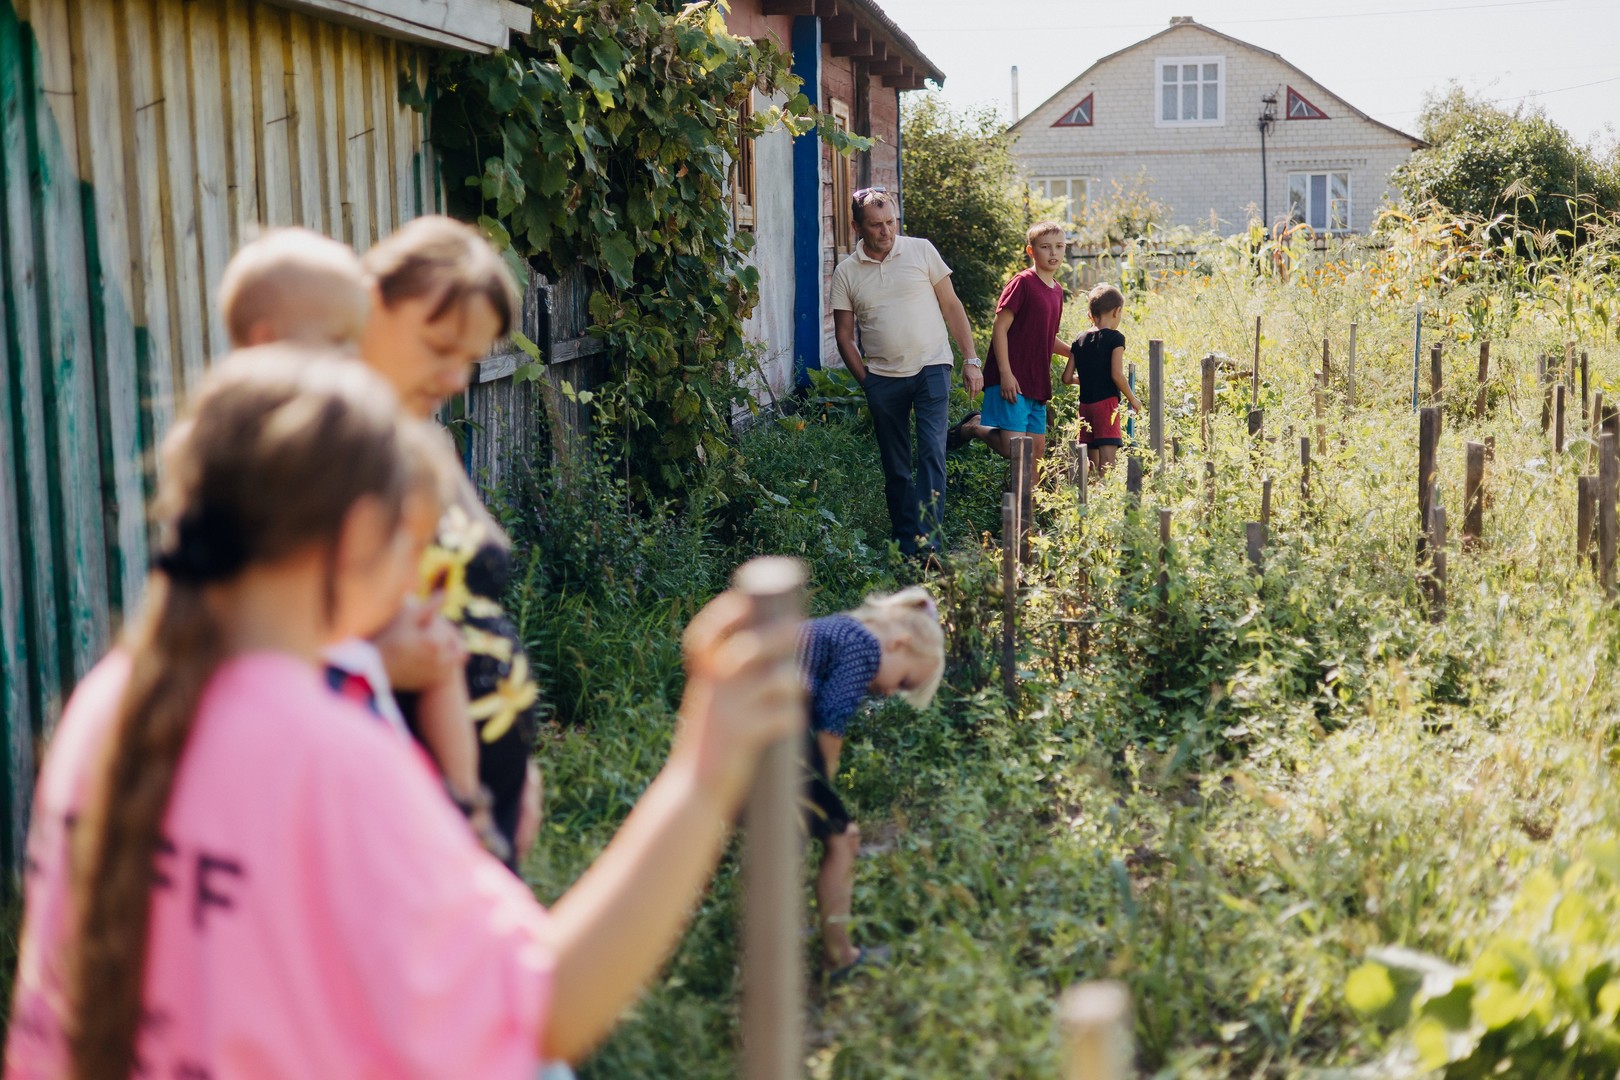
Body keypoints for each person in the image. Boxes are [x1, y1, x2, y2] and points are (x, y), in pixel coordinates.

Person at [5, 349, 804, 1077]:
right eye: (413, 548)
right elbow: (547, 1009)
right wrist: (701, 776)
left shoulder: (106, 703)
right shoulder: (331, 758)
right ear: (357, 535)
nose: (423, 586)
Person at [216, 228, 493, 856]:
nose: (356, 354)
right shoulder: (278, 464)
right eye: (344, 339)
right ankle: (464, 798)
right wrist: (373, 661)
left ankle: (467, 795)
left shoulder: (349, 446)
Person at [356, 216, 542, 867]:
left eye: (470, 357)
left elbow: (469, 603)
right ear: (371, 306)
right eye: (440, 347)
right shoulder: (318, 454)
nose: (458, 379)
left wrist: (519, 758)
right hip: (398, 796)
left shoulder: (424, 439)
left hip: (486, 776)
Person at [799, 587, 944, 980]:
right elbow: (831, 720)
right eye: (904, 681)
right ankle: (839, 958)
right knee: (844, 836)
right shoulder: (863, 645)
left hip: (757, 726)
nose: (892, 692)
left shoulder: (841, 632)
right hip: (774, 739)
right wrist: (825, 791)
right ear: (899, 644)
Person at [830, 189, 982, 560]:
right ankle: (905, 544)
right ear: (856, 227)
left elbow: (951, 305)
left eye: (890, 222)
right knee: (896, 466)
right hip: (883, 378)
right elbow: (844, 336)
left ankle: (928, 543)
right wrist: (868, 383)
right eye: (876, 225)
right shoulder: (846, 272)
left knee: (932, 450)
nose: (886, 231)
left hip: (932, 366)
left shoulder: (921, 250)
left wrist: (970, 358)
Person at [948, 222, 1073, 466]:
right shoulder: (1022, 283)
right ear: (1031, 251)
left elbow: (1046, 337)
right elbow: (1000, 327)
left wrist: (1074, 352)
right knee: (1012, 448)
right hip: (1012, 379)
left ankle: (1032, 504)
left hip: (1037, 382)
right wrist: (1005, 374)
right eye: (1046, 247)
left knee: (1035, 453)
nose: (1053, 253)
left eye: (1059, 247)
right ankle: (974, 426)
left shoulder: (1057, 291)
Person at [1061, 283, 1142, 476]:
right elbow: (1117, 374)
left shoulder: (1078, 339)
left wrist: (1086, 380)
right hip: (1106, 406)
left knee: (1091, 466)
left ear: (1091, 315)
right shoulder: (1116, 338)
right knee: (1107, 466)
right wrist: (1133, 399)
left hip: (1085, 407)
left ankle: (1089, 499)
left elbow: (1066, 377)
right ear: (1117, 311)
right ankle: (1106, 502)